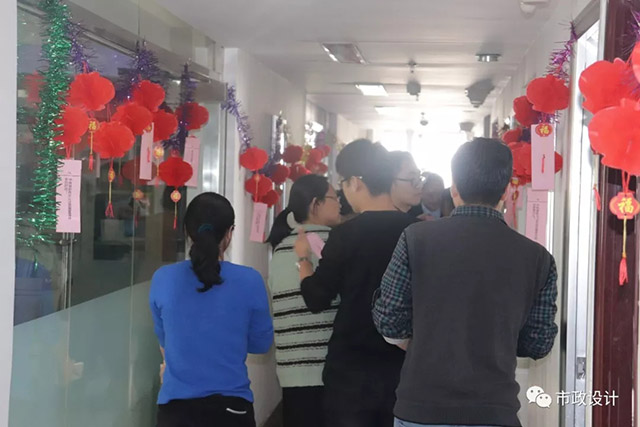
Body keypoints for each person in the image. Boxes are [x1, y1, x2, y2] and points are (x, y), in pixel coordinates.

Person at [373, 138, 558, 427]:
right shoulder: (538, 258)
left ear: (454, 188)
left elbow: (390, 321)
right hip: (493, 412)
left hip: (421, 410)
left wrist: (427, 338)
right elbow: (538, 343)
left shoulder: (416, 239)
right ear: (506, 191)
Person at [294, 139, 418, 427]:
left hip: (351, 371)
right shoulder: (418, 232)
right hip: (404, 370)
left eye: (343, 183)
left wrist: (303, 261)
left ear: (356, 182)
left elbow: (317, 297)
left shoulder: (345, 234)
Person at [150, 192, 274, 427]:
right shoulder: (250, 280)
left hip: (175, 412)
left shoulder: (163, 279)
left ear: (187, 232)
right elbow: (260, 344)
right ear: (229, 233)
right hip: (232, 411)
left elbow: (166, 341)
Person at [266, 175, 341, 427]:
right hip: (332, 369)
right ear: (315, 204)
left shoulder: (280, 249)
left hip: (291, 371)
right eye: (334, 198)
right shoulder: (336, 244)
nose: (340, 203)